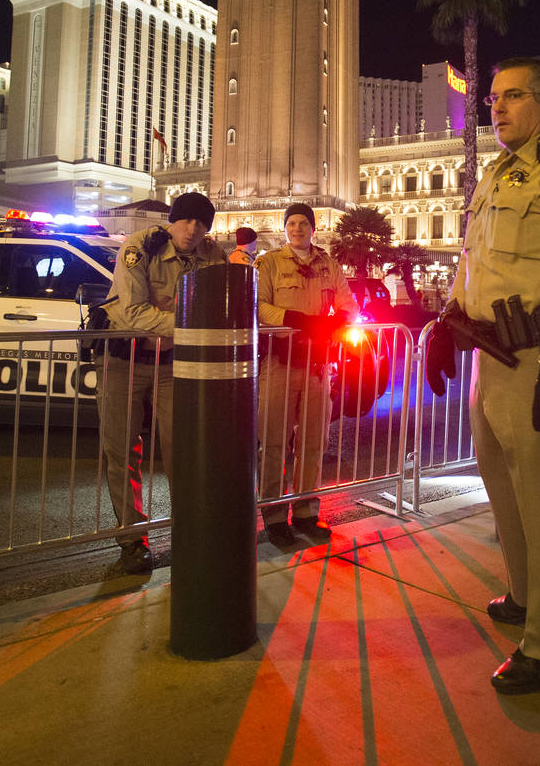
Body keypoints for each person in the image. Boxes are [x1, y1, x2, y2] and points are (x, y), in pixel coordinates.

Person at [425, 58, 540, 694]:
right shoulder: (495, 172)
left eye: (512, 97)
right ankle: (528, 595)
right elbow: (474, 257)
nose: (498, 107)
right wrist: (447, 321)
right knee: (502, 485)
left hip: (538, 359)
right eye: (493, 99)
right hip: (489, 358)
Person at [97, 191, 226, 573]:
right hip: (125, 358)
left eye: (201, 223)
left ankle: (189, 529)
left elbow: (226, 293)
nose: (192, 229)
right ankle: (132, 539)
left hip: (172, 364)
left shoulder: (211, 255)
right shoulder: (140, 247)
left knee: (182, 450)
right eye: (186, 220)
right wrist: (193, 325)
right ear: (172, 220)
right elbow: (134, 312)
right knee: (122, 451)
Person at [254, 203, 358, 546]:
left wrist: (335, 323)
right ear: (285, 228)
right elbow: (260, 306)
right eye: (292, 223)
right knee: (273, 442)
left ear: (314, 228)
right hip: (279, 364)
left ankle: (305, 512)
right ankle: (272, 515)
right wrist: (296, 319)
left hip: (317, 364)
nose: (297, 229)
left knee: (314, 441)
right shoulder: (268, 262)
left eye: (303, 223)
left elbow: (349, 306)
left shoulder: (329, 265)